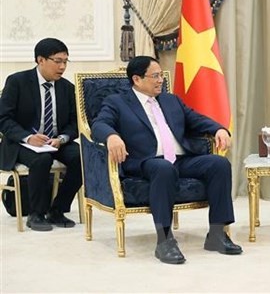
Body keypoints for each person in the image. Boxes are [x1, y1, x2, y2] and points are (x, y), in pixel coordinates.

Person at [91, 55, 242, 264]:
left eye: (161, 75)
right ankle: (164, 240)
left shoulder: (171, 100)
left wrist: (219, 129)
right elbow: (99, 124)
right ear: (137, 79)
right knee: (163, 168)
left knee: (219, 164)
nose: (161, 80)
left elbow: (196, 120)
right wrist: (111, 136)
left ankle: (217, 234)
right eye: (155, 76)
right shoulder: (118, 102)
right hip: (146, 161)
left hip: (180, 159)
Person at [0, 38, 83, 231]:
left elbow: (74, 123)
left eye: (65, 61)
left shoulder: (67, 88)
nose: (62, 67)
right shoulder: (17, 82)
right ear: (40, 60)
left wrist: (62, 139)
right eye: (58, 61)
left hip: (54, 141)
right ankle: (36, 214)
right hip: (21, 142)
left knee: (82, 157)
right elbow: (3, 118)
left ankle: (57, 209)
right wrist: (28, 138)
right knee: (42, 159)